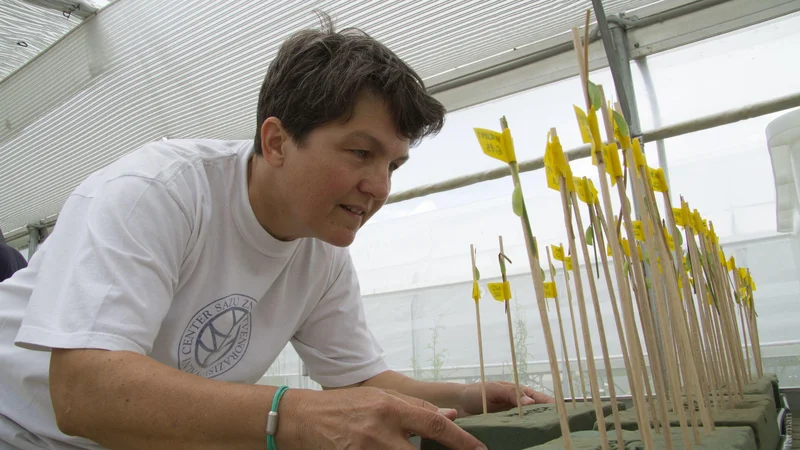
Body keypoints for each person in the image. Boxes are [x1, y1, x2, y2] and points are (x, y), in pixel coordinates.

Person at [0, 14, 553, 450]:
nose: (379, 187)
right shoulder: (156, 192)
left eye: (393, 166)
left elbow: (357, 383)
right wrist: (290, 417)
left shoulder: (323, 248)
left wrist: (465, 397)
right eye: (361, 153)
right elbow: (82, 393)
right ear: (276, 142)